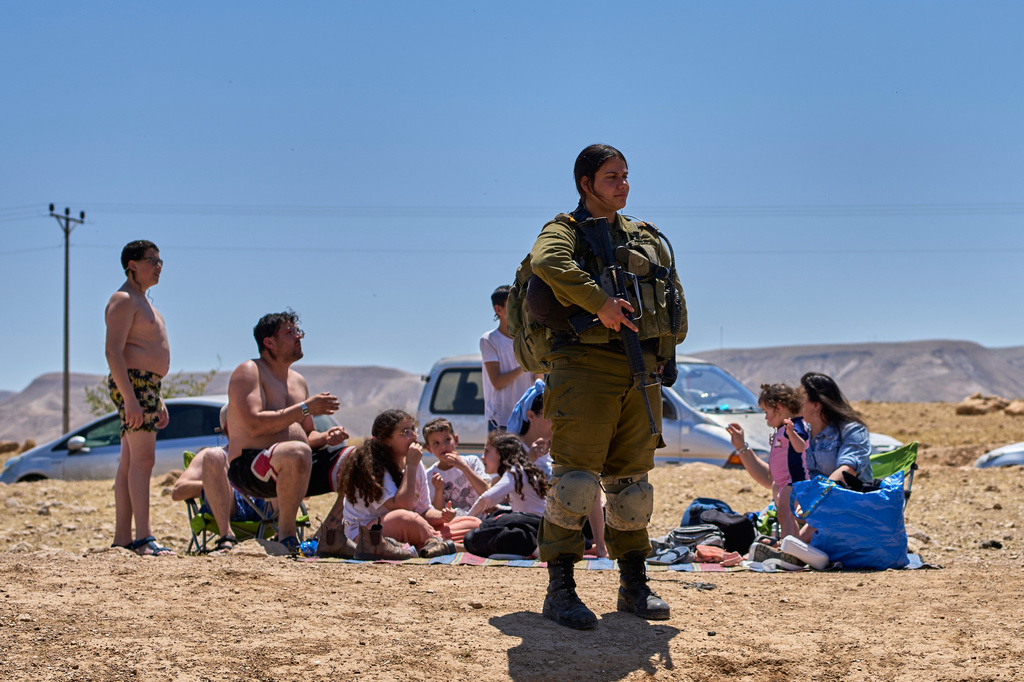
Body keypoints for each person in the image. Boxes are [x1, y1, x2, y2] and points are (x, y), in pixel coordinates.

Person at [528, 144, 687, 629]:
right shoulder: (565, 232)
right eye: (612, 177)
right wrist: (599, 302)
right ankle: (561, 589)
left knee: (632, 488)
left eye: (625, 175)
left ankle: (633, 586)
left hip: (641, 372)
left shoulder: (645, 237)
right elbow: (546, 263)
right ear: (586, 184)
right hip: (583, 367)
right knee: (576, 482)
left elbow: (671, 298)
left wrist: (667, 358)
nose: (623, 184)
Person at [225, 310, 349, 555]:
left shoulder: (299, 381)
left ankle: (327, 534)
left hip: (298, 465)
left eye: (298, 331)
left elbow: (308, 436)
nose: (298, 337)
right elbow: (254, 425)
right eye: (290, 332)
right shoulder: (249, 371)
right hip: (250, 468)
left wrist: (326, 437)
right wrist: (305, 408)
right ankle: (287, 537)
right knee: (297, 451)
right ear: (269, 342)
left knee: (357, 458)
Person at [728, 372, 871, 545]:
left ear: (816, 405)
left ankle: (792, 547)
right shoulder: (795, 433)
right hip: (806, 511)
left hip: (844, 505)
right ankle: (793, 546)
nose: (794, 402)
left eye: (800, 398)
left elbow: (847, 471)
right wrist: (742, 447)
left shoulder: (851, 431)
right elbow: (772, 479)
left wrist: (812, 500)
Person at [105, 240, 173, 556]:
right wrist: (131, 398)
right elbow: (113, 351)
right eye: (151, 260)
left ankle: (123, 539)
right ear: (132, 264)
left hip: (146, 386)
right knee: (143, 460)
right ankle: (144, 537)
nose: (158, 266)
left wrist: (156, 398)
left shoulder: (144, 302)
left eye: (160, 260)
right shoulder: (123, 299)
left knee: (130, 461)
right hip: (133, 383)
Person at [337, 410, 480, 560]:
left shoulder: (415, 463)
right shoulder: (373, 467)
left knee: (473, 524)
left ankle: (431, 544)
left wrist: (443, 516)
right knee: (406, 518)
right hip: (365, 535)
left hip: (411, 527)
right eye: (405, 432)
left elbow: (423, 511)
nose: (413, 435)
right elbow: (402, 507)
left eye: (413, 429)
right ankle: (444, 544)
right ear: (387, 440)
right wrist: (410, 467)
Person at [508, 380, 607, 558]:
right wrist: (529, 460)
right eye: (550, 417)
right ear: (531, 416)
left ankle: (600, 547)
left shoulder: (559, 446)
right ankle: (591, 547)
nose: (556, 423)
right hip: (531, 520)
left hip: (562, 514)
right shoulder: (513, 447)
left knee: (590, 482)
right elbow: (498, 485)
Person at [726, 384, 808, 541]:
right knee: (786, 516)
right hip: (781, 481)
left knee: (786, 514)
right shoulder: (782, 429)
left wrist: (791, 434)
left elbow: (801, 446)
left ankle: (790, 547)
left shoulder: (795, 425)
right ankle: (792, 545)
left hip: (792, 480)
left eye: (766, 412)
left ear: (778, 408)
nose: (765, 418)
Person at [480, 285, 537, 431]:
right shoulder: (489, 340)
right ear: (498, 310)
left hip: (527, 419)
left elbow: (538, 378)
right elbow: (497, 382)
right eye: (512, 304)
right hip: (501, 421)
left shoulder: (527, 337)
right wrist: (525, 366)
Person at [468, 432, 549, 519]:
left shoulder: (515, 472)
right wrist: (498, 508)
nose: (482, 457)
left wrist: (467, 517)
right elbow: (525, 508)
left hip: (535, 527)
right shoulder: (520, 471)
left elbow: (487, 498)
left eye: (487, 451)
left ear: (500, 453)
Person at [422, 418, 489, 514]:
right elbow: (438, 513)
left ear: (456, 440)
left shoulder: (471, 462)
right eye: (436, 443)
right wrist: (438, 490)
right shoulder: (429, 476)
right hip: (454, 525)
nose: (443, 446)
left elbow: (486, 492)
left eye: (447, 440)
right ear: (429, 449)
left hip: (480, 521)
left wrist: (464, 467)